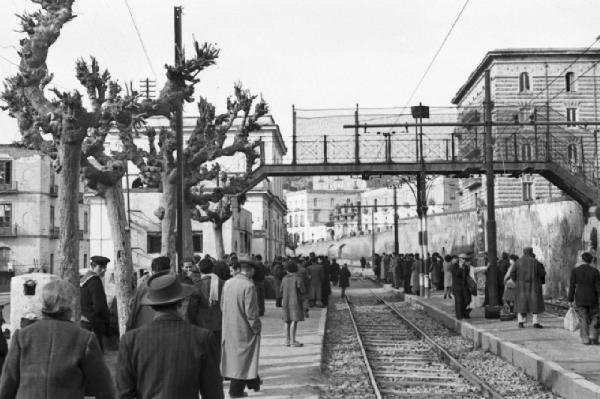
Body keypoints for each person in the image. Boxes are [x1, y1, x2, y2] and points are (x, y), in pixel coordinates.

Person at [0, 279, 115, 399]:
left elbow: (7, 385)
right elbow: (103, 388)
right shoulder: (84, 338)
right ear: (71, 304)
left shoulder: (22, 336)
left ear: (43, 302)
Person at [116, 273, 223, 398]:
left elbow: (124, 393)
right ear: (181, 302)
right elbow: (213, 392)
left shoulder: (131, 340)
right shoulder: (202, 338)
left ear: (152, 305)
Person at [221, 259, 262, 398]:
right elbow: (251, 312)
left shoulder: (227, 283)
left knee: (234, 358)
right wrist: (256, 327)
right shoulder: (249, 286)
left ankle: (253, 382)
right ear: (250, 270)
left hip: (228, 326)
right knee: (242, 359)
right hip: (244, 328)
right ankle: (235, 391)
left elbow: (222, 305)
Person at [188, 258, 225, 359]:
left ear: (199, 270)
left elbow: (192, 308)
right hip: (219, 323)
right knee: (217, 352)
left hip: (202, 324)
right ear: (213, 269)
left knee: (204, 354)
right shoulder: (223, 284)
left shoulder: (197, 285)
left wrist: (192, 322)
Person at [126, 256, 172, 331]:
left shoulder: (144, 286)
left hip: (146, 331)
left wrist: (129, 331)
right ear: (169, 271)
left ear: (152, 271)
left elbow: (133, 313)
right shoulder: (174, 286)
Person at [568, 252, 600, 344]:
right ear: (591, 261)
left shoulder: (575, 271)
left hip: (580, 298)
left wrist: (570, 299)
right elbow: (598, 287)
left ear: (582, 260)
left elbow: (572, 286)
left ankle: (585, 339)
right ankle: (593, 336)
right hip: (593, 298)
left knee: (583, 318)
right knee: (595, 317)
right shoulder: (595, 271)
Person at [80, 255, 111, 351]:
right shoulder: (95, 281)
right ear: (93, 266)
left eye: (105, 267)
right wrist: (106, 321)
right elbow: (100, 307)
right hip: (94, 324)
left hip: (84, 322)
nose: (104, 270)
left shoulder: (84, 280)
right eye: (101, 267)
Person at [510, 247, 546, 328]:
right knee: (534, 304)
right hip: (533, 286)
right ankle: (535, 323)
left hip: (521, 287)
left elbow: (512, 273)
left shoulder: (518, 262)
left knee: (520, 304)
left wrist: (516, 281)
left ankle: (520, 322)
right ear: (531, 252)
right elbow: (542, 273)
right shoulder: (535, 262)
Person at [281, 261, 305, 347]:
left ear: (287, 270)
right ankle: (293, 341)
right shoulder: (298, 278)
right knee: (294, 321)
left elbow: (281, 290)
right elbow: (302, 290)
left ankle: (287, 340)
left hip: (286, 302)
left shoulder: (284, 279)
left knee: (286, 321)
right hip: (295, 302)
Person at [450, 254, 472, 319]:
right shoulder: (454, 266)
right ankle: (459, 316)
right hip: (457, 287)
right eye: (463, 259)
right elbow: (457, 274)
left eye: (466, 259)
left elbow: (467, 276)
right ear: (460, 259)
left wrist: (467, 267)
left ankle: (465, 312)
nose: (465, 260)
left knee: (468, 300)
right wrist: (461, 267)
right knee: (459, 301)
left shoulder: (465, 267)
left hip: (465, 287)